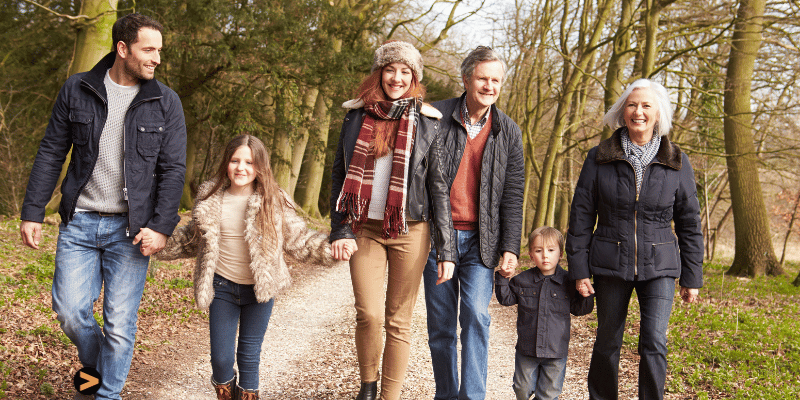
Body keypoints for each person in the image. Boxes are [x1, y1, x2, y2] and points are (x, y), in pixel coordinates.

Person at [18, 13, 186, 400]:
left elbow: (173, 170)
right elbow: (51, 152)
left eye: (159, 50)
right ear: (122, 49)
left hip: (131, 231)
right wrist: (32, 210)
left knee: (120, 324)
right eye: (148, 49)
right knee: (70, 312)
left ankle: (104, 395)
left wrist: (161, 226)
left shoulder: (166, 102)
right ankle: (98, 370)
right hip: (79, 222)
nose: (157, 58)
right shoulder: (76, 89)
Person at [157, 134, 338, 400]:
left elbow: (299, 239)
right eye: (235, 161)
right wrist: (158, 243)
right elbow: (191, 239)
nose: (241, 168)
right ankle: (225, 389)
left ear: (260, 167)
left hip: (260, 290)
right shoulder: (210, 197)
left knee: (249, 355)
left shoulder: (273, 200)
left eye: (249, 162)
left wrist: (333, 249)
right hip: (222, 287)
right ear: (226, 164)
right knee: (220, 359)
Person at [566, 78, 703, 400]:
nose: (637, 111)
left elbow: (689, 221)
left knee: (654, 341)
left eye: (645, 106)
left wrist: (692, 275)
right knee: (607, 341)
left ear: (658, 114)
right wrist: (579, 269)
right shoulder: (598, 157)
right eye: (631, 104)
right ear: (622, 111)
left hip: (661, 266)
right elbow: (581, 217)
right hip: (609, 261)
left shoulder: (677, 161)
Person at [328, 40, 445, 400]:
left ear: (414, 78)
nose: (397, 77)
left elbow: (439, 186)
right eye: (390, 69)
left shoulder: (428, 123)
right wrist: (340, 228)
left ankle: (389, 396)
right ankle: (367, 386)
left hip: (411, 229)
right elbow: (339, 174)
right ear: (379, 73)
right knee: (368, 313)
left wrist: (447, 249)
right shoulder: (356, 116)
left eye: (405, 71)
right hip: (364, 227)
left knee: (398, 320)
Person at [425, 45, 525, 400]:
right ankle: (446, 394)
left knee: (476, 318)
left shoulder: (509, 132)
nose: (489, 86)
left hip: (482, 242)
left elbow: (513, 194)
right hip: (438, 239)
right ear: (466, 78)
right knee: (440, 327)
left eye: (496, 80)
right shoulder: (435, 116)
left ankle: (472, 396)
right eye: (483, 78)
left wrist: (511, 246)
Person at [495, 226, 594, 400]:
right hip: (527, 349)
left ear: (561, 254)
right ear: (531, 254)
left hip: (556, 351)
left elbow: (581, 309)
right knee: (521, 389)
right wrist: (503, 277)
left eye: (551, 250)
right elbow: (506, 299)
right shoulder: (522, 280)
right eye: (539, 251)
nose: (545, 256)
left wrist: (585, 295)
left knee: (548, 394)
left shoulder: (570, 282)